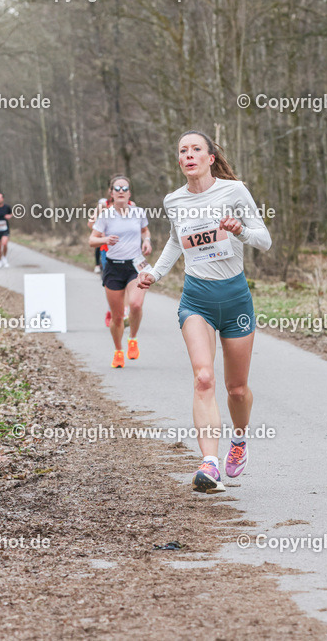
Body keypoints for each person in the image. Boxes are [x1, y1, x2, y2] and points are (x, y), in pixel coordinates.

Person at [137, 131, 271, 493]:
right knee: (204, 378)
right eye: (183, 150)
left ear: (210, 158)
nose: (189, 155)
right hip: (196, 298)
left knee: (237, 389)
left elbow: (264, 239)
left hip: (235, 298)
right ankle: (209, 463)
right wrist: (154, 273)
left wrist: (240, 231)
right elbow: (175, 240)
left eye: (196, 149)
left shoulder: (234, 191)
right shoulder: (174, 200)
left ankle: (239, 439)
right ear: (179, 160)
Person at [89, 176, 151, 368]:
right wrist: (105, 240)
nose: (121, 191)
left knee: (136, 304)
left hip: (135, 266)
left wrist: (147, 241)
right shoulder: (105, 215)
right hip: (113, 268)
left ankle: (132, 338)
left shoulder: (138, 212)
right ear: (111, 193)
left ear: (129, 193)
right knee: (116, 317)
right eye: (117, 188)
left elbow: (145, 231)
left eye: (125, 188)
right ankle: (118, 351)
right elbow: (92, 240)